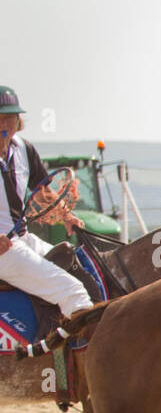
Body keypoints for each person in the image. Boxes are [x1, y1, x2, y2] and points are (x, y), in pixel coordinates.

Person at [0, 85, 93, 318]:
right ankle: (88, 352)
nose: (4, 125)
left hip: (22, 240)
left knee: (81, 266)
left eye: (9, 118)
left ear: (18, 121)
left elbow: (43, 191)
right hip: (3, 252)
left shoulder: (23, 149)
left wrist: (67, 216)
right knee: (75, 292)